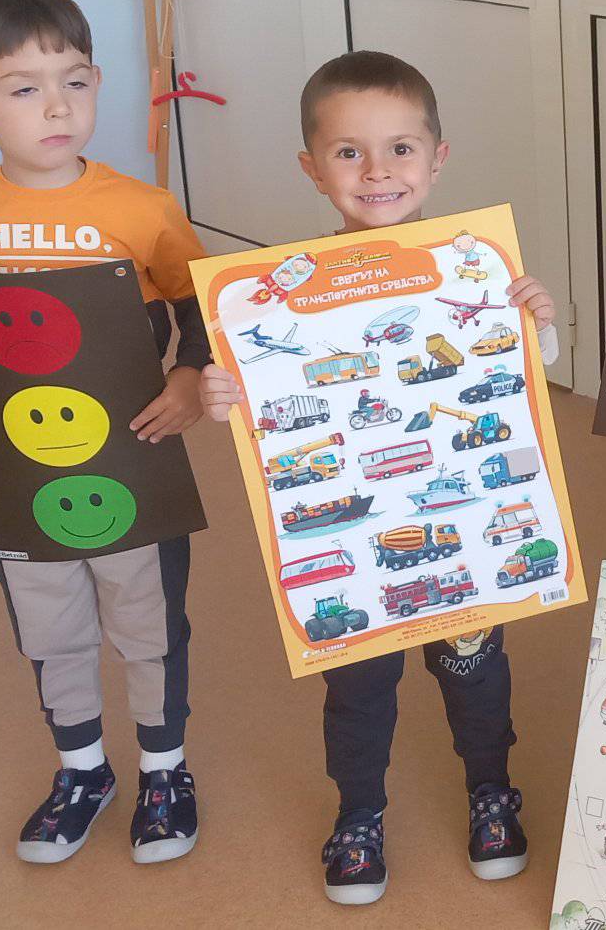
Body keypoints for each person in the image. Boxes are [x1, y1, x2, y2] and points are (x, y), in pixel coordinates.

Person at [200, 52, 560, 905]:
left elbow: (520, 384)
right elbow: (271, 416)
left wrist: (535, 328)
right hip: (363, 553)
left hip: (464, 539)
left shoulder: (478, 272)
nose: (377, 171)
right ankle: (358, 813)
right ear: (312, 167)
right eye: (348, 152)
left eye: (401, 148)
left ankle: (492, 790)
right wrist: (227, 393)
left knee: (477, 673)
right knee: (359, 691)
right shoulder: (277, 298)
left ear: (438, 158)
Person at [0, 0, 207, 866]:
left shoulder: (142, 209)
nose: (57, 107)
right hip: (20, 471)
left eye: (75, 80)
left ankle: (165, 770)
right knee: (51, 626)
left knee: (148, 622)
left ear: (98, 82)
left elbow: (202, 304)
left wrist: (190, 375)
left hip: (133, 459)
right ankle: (82, 769)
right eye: (23, 88)